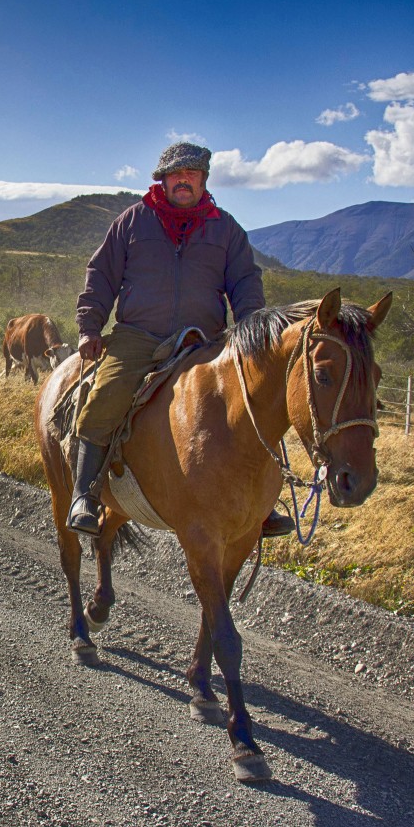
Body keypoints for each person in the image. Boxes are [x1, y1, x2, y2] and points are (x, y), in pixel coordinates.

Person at [67, 141, 293, 539]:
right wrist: (89, 327)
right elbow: (101, 276)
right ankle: (84, 494)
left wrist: (251, 334)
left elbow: (245, 285)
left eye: (191, 175)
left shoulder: (226, 228)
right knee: (107, 396)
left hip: (204, 342)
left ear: (203, 180)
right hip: (138, 336)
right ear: (163, 180)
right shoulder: (132, 222)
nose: (183, 181)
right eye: (175, 175)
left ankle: (261, 503)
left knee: (251, 402)